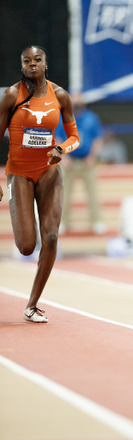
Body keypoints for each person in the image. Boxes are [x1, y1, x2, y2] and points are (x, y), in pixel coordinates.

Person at [0, 45, 80, 322]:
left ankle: (32, 304)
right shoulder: (11, 96)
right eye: (26, 61)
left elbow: (74, 137)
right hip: (19, 173)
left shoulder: (60, 96)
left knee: (52, 236)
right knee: (26, 246)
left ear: (46, 64)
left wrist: (61, 150)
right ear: (21, 66)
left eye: (37, 60)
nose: (32, 64)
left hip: (49, 173)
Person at [56, 93, 105, 234]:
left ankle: (96, 222)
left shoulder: (92, 118)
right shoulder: (63, 118)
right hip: (69, 161)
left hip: (87, 162)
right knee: (64, 194)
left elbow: (98, 138)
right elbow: (57, 137)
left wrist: (93, 157)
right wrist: (63, 157)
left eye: (79, 102)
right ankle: (63, 222)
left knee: (93, 193)